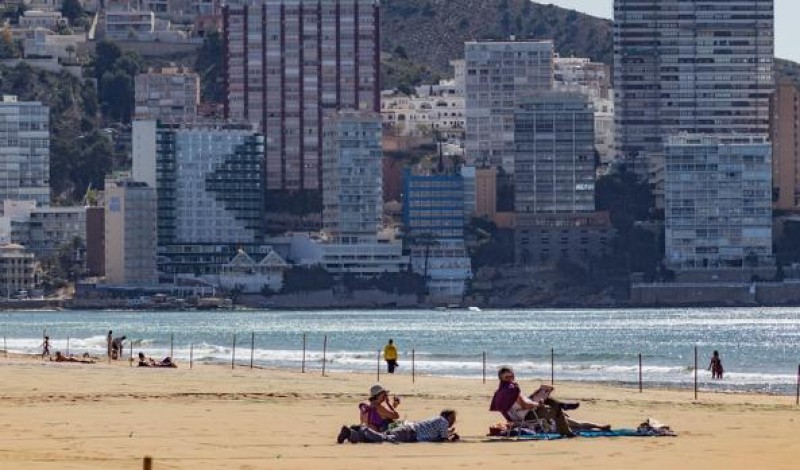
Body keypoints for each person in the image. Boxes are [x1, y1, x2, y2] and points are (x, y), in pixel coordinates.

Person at [489, 366, 578, 437]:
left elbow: (517, 403)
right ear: (501, 378)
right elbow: (526, 405)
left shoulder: (500, 391)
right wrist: (538, 404)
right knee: (557, 410)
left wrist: (533, 396)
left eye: (511, 376)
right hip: (527, 416)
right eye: (507, 377)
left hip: (514, 416)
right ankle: (567, 432)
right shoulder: (512, 389)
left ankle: (562, 405)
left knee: (547, 398)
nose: (510, 378)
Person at [338, 409, 459, 444]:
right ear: (447, 417)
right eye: (452, 418)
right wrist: (453, 438)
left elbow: (439, 434)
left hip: (408, 429)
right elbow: (443, 439)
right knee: (384, 438)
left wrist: (448, 433)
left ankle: (351, 433)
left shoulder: (438, 420)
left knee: (377, 439)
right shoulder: (443, 421)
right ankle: (362, 429)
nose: (453, 421)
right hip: (410, 433)